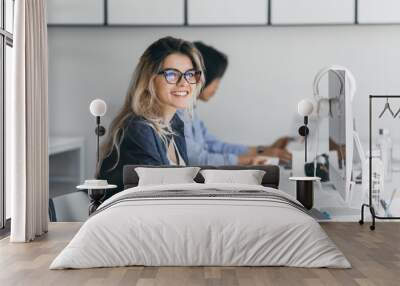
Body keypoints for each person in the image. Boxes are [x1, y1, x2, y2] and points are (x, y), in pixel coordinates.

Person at [97, 36, 205, 195]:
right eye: (172, 74)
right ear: (149, 79)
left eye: (190, 74)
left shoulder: (175, 123)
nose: (184, 83)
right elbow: (158, 195)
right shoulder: (139, 129)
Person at [178, 41, 292, 166]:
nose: (217, 86)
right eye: (217, 79)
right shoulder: (178, 112)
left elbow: (214, 146)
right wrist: (252, 159)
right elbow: (196, 159)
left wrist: (263, 150)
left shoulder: (189, 111)